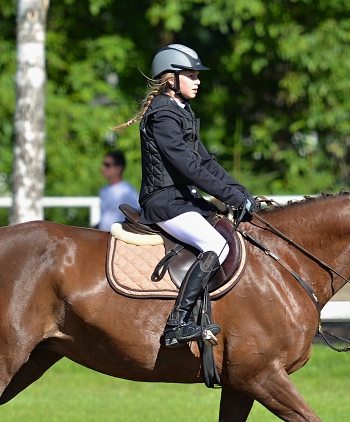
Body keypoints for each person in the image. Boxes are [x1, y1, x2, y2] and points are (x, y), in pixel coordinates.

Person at [113, 44, 258, 348]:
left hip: (183, 200)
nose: (197, 80)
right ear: (171, 79)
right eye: (191, 75)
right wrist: (228, 197)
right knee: (215, 244)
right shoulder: (163, 114)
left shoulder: (182, 111)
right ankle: (178, 322)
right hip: (164, 201)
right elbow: (188, 166)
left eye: (196, 75)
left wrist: (241, 192)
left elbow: (205, 161)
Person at [96, 149, 139, 230]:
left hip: (119, 238)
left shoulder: (127, 191)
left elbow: (136, 217)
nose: (103, 168)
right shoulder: (104, 190)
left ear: (119, 168)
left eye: (107, 165)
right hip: (104, 238)